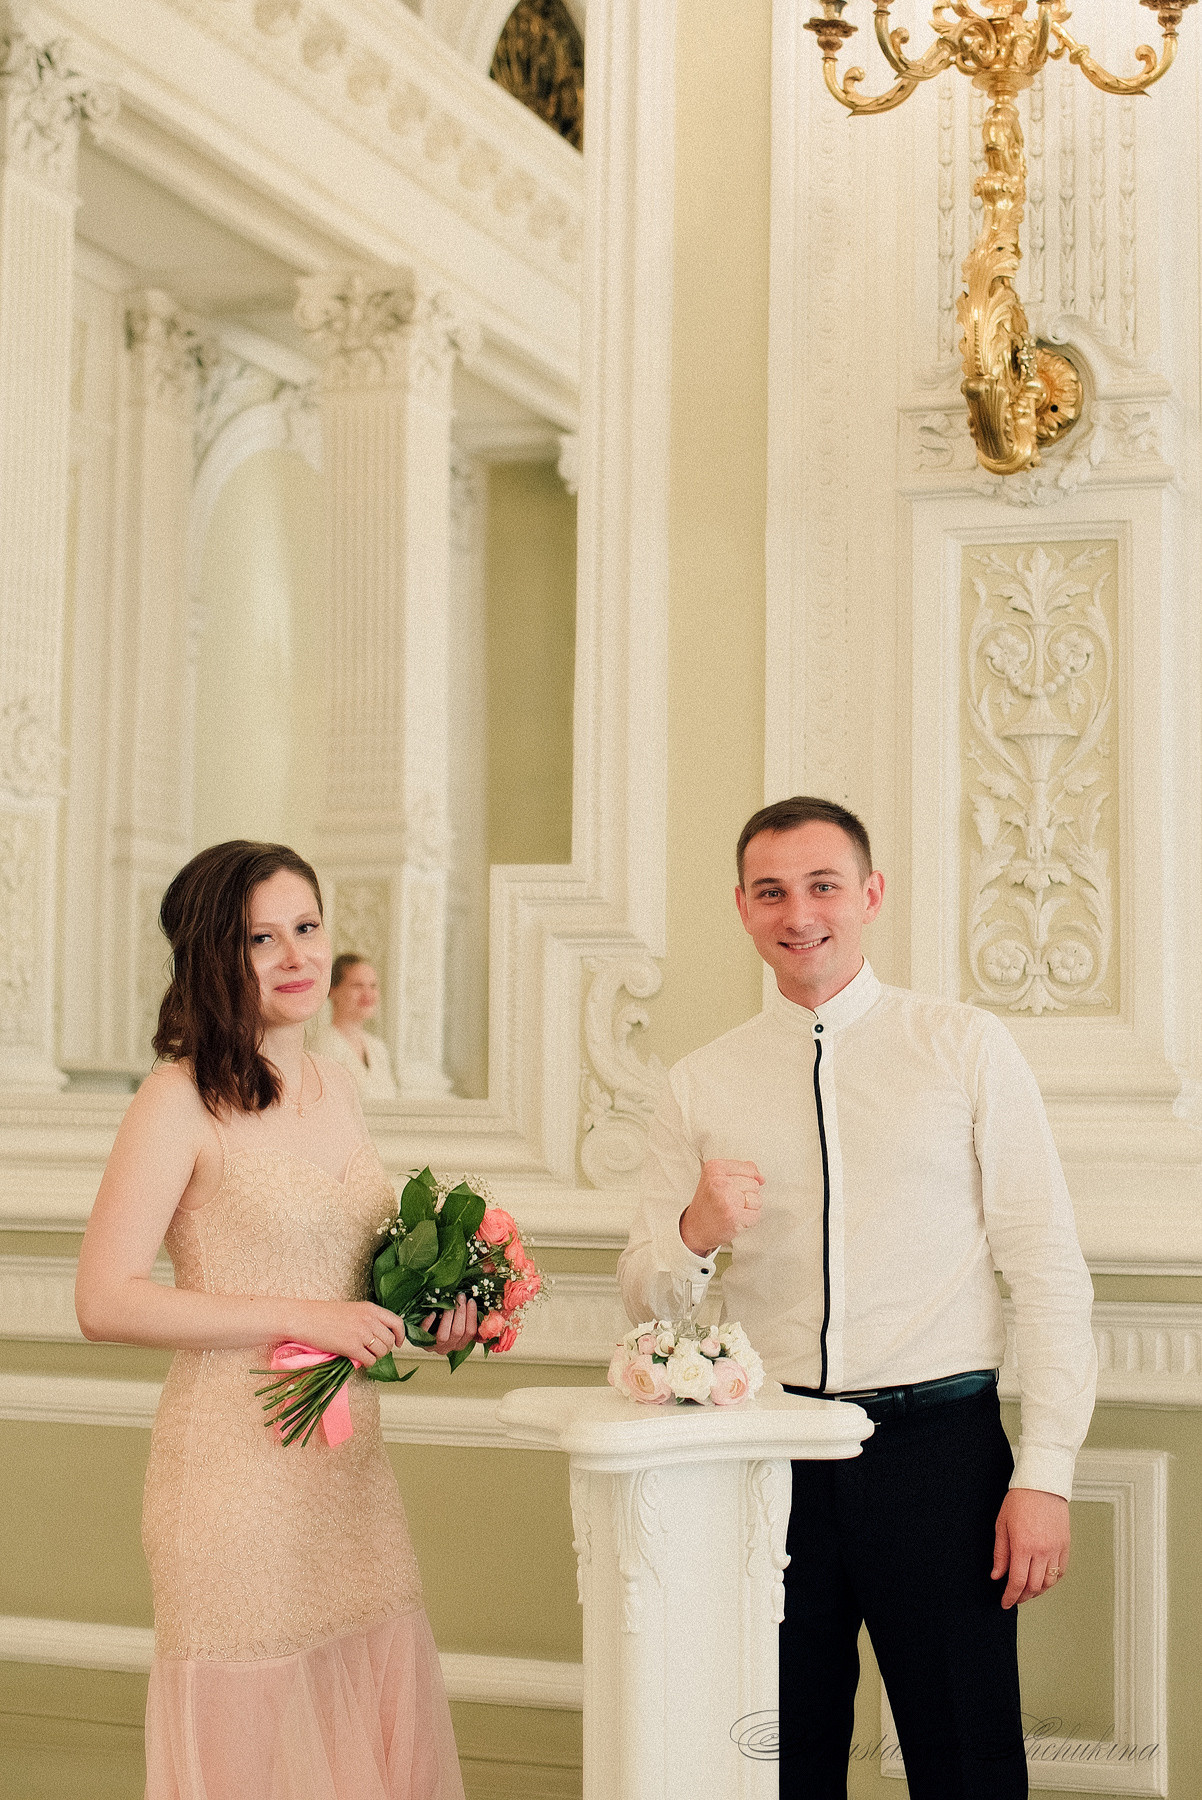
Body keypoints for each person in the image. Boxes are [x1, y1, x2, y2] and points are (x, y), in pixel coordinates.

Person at [617, 796, 1097, 1800]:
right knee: (778, 1760)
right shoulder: (700, 1084)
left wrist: (1045, 1473)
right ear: (742, 908)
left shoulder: (964, 1046)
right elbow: (648, 1304)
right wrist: (694, 1230)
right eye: (771, 892)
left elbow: (1046, 1266)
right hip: (769, 1459)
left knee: (965, 1763)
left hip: (942, 1459)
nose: (799, 914)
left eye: (822, 885)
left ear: (870, 894)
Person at [75, 840, 474, 1800]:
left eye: (307, 927)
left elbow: (352, 1275)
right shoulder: (176, 1100)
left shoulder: (340, 1080)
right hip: (232, 1472)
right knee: (245, 1754)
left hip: (348, 1476)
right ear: (214, 955)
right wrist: (307, 1316)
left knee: (371, 1725)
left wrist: (432, 1319)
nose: (296, 956)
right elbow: (103, 1298)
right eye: (262, 938)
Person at [310, 953, 399, 1099]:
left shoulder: (378, 1048)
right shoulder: (323, 1046)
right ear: (332, 991)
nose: (367, 994)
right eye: (357, 986)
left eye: (373, 986)